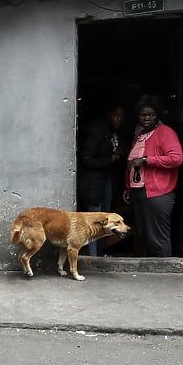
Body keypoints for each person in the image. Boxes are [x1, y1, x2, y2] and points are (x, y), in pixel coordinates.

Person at [123, 95, 183, 257]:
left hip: (158, 193)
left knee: (157, 236)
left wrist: (146, 160)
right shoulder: (140, 135)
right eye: (143, 115)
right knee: (143, 234)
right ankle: (147, 273)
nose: (147, 118)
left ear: (158, 116)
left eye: (151, 114)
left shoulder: (165, 133)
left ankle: (163, 273)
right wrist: (128, 187)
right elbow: (132, 164)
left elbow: (176, 158)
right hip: (138, 191)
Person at [77, 104, 126, 255]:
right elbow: (86, 158)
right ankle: (93, 257)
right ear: (108, 114)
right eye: (115, 115)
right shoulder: (97, 130)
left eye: (122, 117)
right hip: (92, 182)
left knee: (105, 218)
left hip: (104, 179)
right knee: (96, 221)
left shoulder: (112, 132)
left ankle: (99, 253)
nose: (119, 119)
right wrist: (108, 160)